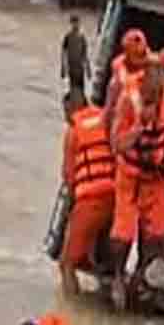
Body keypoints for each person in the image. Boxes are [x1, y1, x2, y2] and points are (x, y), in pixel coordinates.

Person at [107, 63, 164, 309]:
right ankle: (117, 277)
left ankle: (140, 277)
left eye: (153, 102)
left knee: (157, 233)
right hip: (130, 173)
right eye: (147, 100)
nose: (150, 106)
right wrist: (137, 130)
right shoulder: (128, 101)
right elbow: (116, 144)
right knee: (122, 233)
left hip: (155, 175)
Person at [59, 88, 117, 296]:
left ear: (70, 110)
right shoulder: (105, 117)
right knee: (99, 259)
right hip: (116, 196)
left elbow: (69, 176)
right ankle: (106, 296)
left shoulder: (74, 131)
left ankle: (70, 311)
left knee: (67, 263)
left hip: (90, 198)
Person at [61, 15, 92, 100]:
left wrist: (88, 69)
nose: (75, 25)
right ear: (71, 24)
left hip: (80, 67)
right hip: (71, 66)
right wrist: (63, 68)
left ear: (79, 23)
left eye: (77, 23)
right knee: (72, 87)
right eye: (73, 23)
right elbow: (63, 52)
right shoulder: (67, 36)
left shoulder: (82, 37)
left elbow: (85, 53)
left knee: (81, 88)